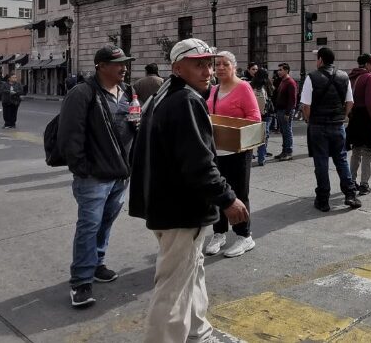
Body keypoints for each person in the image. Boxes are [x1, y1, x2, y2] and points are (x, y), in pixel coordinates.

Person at [129, 38, 248, 342]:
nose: (207, 70)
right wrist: (228, 199)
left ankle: (199, 331)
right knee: (173, 288)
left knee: (192, 272)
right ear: (178, 67)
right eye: (199, 64)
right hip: (179, 209)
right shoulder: (186, 101)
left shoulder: (166, 94)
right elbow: (198, 163)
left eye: (209, 63)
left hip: (167, 204)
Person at [57, 46, 137, 308]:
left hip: (120, 172)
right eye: (118, 64)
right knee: (89, 226)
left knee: (105, 223)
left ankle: (97, 263)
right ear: (100, 66)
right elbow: (70, 134)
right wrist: (82, 167)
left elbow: (131, 126)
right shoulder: (82, 93)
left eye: (125, 63)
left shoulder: (127, 91)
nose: (124, 67)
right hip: (93, 176)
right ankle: (80, 281)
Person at [204, 50, 259, 258]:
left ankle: (245, 236)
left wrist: (233, 131)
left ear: (234, 66)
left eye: (224, 64)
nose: (219, 68)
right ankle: (219, 233)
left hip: (238, 150)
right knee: (218, 192)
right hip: (216, 150)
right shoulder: (214, 89)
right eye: (216, 64)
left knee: (239, 193)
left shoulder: (244, 87)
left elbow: (254, 118)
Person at [301, 47, 361, 211]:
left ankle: (323, 199)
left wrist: (309, 119)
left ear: (320, 60)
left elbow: (306, 106)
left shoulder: (311, 77)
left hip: (318, 125)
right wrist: (344, 116)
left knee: (321, 162)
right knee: (341, 159)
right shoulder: (344, 77)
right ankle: (350, 194)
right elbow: (350, 102)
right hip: (337, 124)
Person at [348, 53, 371, 195]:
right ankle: (364, 184)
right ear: (367, 64)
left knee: (356, 150)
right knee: (367, 151)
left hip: (354, 116)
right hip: (366, 117)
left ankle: (351, 181)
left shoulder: (351, 77)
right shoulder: (369, 77)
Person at [273, 63, 298, 161]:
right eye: (278, 70)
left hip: (285, 111)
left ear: (286, 70)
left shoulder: (290, 82)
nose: (278, 71)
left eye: (280, 70)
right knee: (283, 132)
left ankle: (288, 152)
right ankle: (284, 151)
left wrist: (288, 113)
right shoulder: (283, 81)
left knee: (287, 131)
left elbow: (292, 100)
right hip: (280, 110)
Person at [251, 69, 275, 166]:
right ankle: (261, 157)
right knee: (264, 136)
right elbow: (272, 95)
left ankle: (256, 156)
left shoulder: (251, 85)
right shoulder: (267, 84)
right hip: (266, 114)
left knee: (254, 136)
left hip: (254, 114)